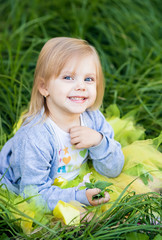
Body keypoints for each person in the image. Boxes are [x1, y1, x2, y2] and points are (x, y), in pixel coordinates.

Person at [0, 37, 124, 212]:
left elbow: (114, 169)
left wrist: (99, 142)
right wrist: (77, 196)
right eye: (68, 77)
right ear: (44, 87)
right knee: (78, 218)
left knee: (127, 193)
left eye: (89, 79)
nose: (81, 86)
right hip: (37, 188)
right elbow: (32, 194)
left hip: (75, 181)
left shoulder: (93, 118)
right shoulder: (36, 137)